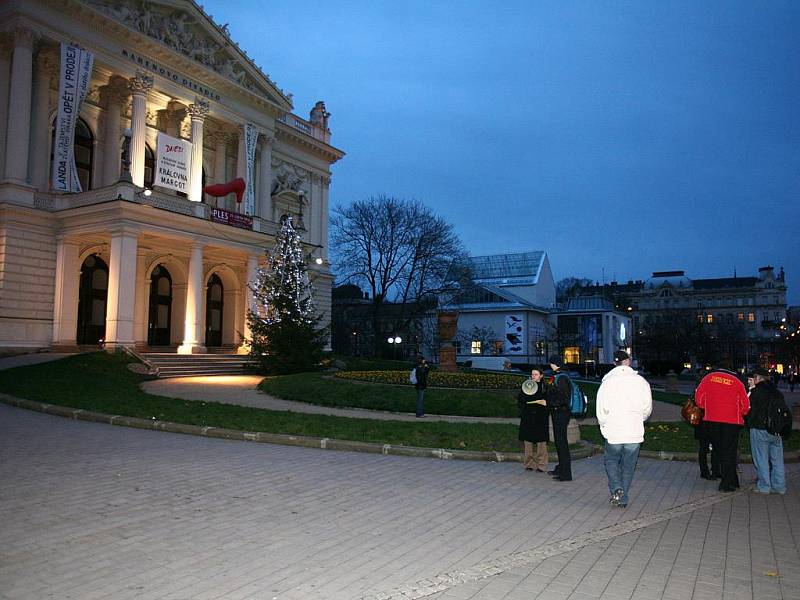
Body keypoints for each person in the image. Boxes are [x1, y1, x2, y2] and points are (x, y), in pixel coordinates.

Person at [596, 350, 652, 508]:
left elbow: (601, 411)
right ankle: (622, 497)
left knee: (611, 460)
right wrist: (637, 419)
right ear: (628, 361)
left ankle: (617, 488)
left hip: (614, 430)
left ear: (615, 363)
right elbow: (647, 409)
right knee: (628, 466)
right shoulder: (641, 382)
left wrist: (604, 426)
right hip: (633, 431)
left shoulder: (607, 383)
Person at [694, 365, 750, 492]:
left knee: (719, 450)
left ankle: (731, 480)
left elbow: (699, 400)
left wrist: (708, 407)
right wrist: (740, 412)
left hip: (712, 420)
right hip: (732, 422)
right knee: (729, 451)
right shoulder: (737, 382)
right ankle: (727, 482)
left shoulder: (708, 378)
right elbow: (745, 405)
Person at [747, 368, 787, 495]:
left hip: (759, 429)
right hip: (776, 430)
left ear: (758, 378)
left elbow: (749, 411)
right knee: (777, 460)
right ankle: (779, 486)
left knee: (761, 459)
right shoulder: (777, 392)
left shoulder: (756, 392)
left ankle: (764, 486)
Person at [517, 367, 549, 472]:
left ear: (541, 375)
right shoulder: (527, 386)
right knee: (528, 441)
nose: (533, 376)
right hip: (528, 416)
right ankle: (529, 464)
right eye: (532, 374)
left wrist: (544, 402)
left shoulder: (545, 387)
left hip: (540, 417)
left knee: (541, 443)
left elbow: (549, 400)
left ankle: (542, 465)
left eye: (535, 374)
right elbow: (520, 399)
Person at [546, 355, 573, 481]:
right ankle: (561, 468)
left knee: (561, 443)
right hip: (559, 412)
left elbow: (563, 398)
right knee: (559, 442)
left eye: (551, 363)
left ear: (555, 364)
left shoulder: (561, 378)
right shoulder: (559, 375)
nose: (550, 365)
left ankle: (566, 473)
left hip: (561, 413)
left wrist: (549, 402)